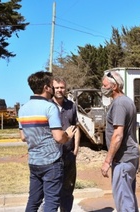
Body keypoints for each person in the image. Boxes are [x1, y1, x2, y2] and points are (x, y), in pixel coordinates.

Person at [18, 71, 77, 212]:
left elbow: (23, 137)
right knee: (51, 201)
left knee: (33, 200)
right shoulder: (50, 107)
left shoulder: (23, 108)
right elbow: (58, 137)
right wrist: (67, 135)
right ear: (46, 88)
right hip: (51, 163)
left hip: (34, 162)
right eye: (52, 85)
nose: (54, 89)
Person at [101, 70, 140, 212]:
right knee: (128, 198)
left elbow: (117, 135)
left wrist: (107, 161)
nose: (103, 88)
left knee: (124, 201)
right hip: (129, 156)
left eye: (105, 86)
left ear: (114, 86)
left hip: (123, 159)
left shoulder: (119, 104)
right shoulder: (126, 101)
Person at [52, 77, 81, 212]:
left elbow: (76, 127)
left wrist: (75, 149)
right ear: (52, 88)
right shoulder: (48, 106)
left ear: (65, 88)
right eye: (57, 87)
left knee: (68, 190)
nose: (59, 90)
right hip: (52, 155)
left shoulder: (71, 106)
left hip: (69, 155)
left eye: (62, 87)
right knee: (52, 191)